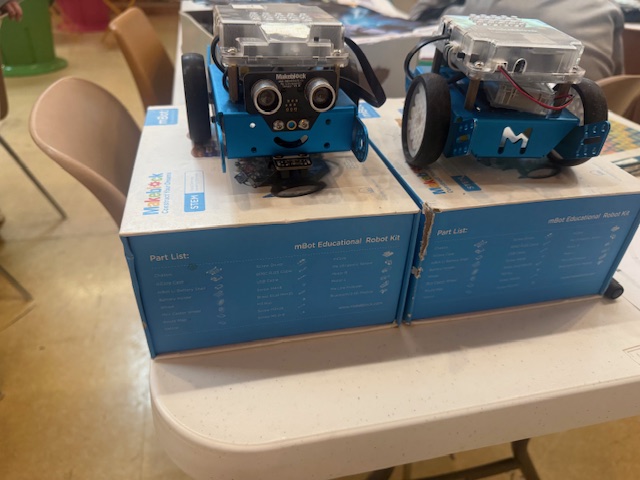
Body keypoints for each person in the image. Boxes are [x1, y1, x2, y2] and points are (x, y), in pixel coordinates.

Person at [409, 0, 625, 81]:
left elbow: (418, 18)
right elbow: (617, 81)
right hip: (581, 118)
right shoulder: (607, 9)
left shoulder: (480, 6)